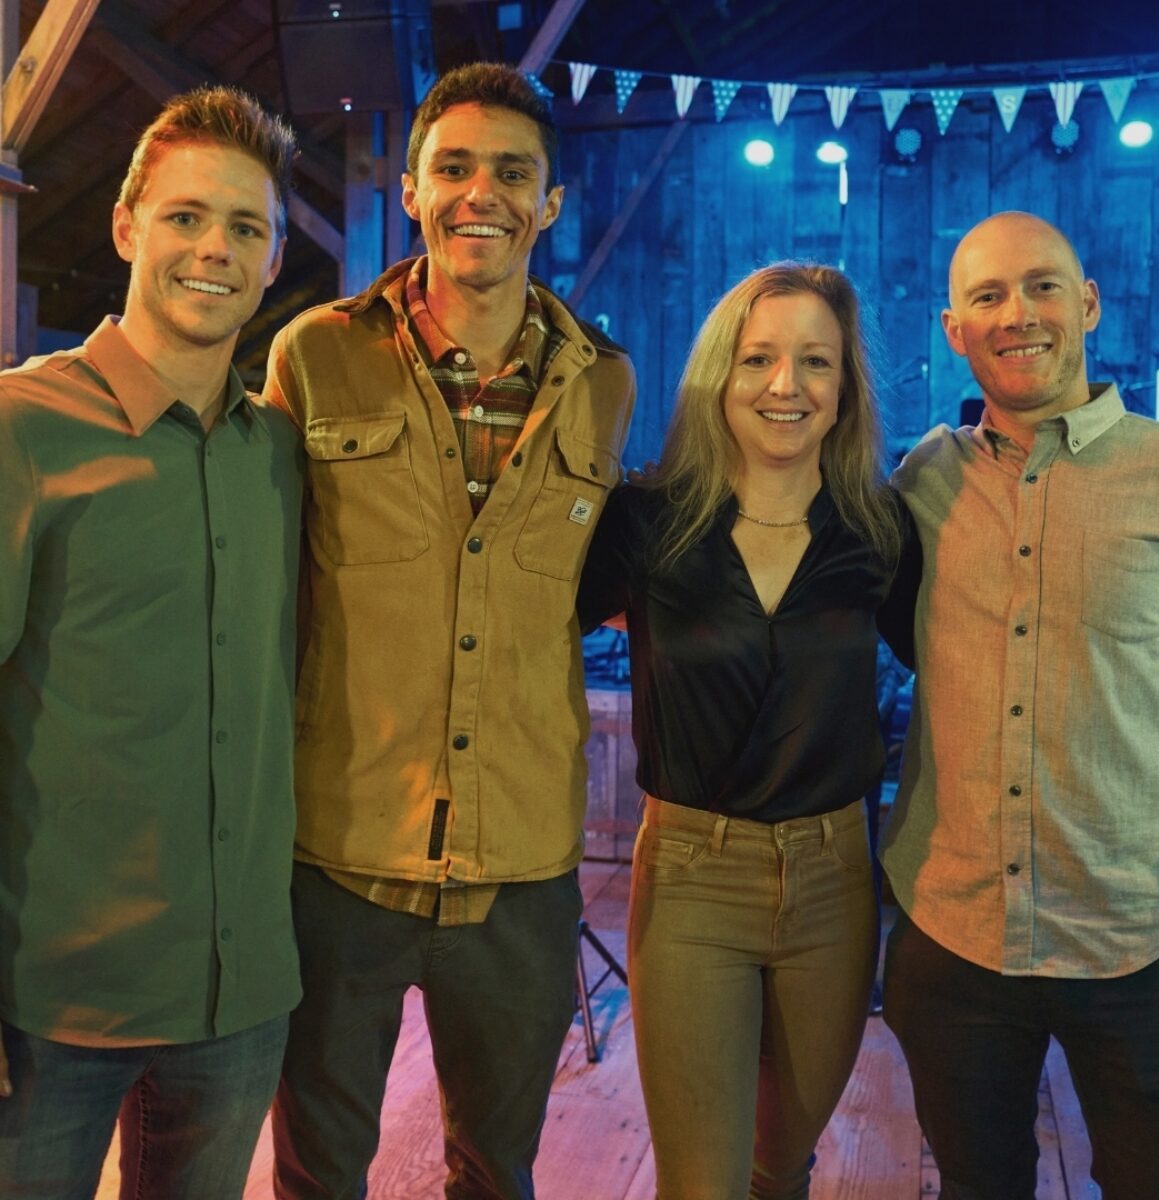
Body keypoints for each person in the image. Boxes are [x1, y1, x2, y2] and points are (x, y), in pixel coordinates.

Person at [264, 62, 636, 1199]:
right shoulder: (314, 354)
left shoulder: (605, 382)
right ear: (413, 190)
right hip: (342, 856)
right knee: (319, 1171)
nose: (484, 193)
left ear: (550, 203)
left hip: (521, 868)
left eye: (513, 173)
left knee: (496, 1169)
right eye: (456, 168)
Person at [0, 87, 301, 1197]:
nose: (214, 248)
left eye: (246, 227)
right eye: (185, 217)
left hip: (239, 1000)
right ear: (127, 227)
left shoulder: (282, 453)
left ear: (273, 260)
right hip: (52, 1007)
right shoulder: (21, 428)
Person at [882, 210, 1159, 1200]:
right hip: (955, 933)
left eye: (1043, 286)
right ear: (955, 330)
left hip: (1139, 940)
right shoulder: (921, 481)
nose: (1017, 313)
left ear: (1088, 304)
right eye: (988, 296)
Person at [579, 262, 907, 1199]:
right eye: (757, 358)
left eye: (816, 361)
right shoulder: (646, 524)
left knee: (784, 1167)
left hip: (833, 883)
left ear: (845, 388)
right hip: (692, 879)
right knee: (702, 1185)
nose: (785, 384)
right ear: (718, 376)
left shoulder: (880, 529)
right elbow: (516, 628)